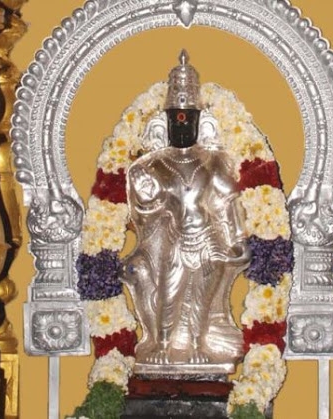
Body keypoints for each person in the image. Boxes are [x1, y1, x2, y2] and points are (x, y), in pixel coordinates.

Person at [122, 51, 251, 373]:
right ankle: (163, 344)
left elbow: (228, 201)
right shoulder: (151, 165)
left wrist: (237, 239)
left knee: (201, 298)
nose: (181, 123)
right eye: (175, 118)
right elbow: (143, 212)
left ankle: (195, 344)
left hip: (208, 239)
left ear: (198, 120)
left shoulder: (213, 161)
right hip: (174, 241)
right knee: (170, 293)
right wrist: (150, 199)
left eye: (187, 118)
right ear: (166, 121)